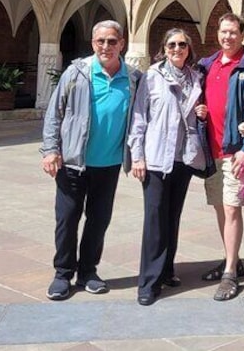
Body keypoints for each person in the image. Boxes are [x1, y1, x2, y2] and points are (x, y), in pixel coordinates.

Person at [40, 20, 141, 301]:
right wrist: (50, 150)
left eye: (112, 41)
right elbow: (54, 113)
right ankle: (62, 274)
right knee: (67, 220)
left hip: (108, 165)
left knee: (98, 221)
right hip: (73, 162)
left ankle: (87, 272)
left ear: (122, 43)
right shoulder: (77, 73)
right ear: (93, 43)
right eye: (100, 41)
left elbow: (143, 117)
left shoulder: (133, 78)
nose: (106, 47)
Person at [128, 28, 209, 306]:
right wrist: (137, 156)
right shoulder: (151, 76)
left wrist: (202, 113)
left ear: (189, 48)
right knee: (154, 220)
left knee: (172, 217)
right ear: (164, 48)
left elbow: (197, 117)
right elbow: (139, 118)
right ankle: (148, 282)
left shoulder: (195, 77)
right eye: (172, 44)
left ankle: (166, 270)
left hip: (183, 159)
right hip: (155, 159)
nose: (177, 49)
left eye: (182, 45)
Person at [197, 12, 244, 301]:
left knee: (232, 208)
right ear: (218, 33)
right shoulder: (206, 65)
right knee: (219, 207)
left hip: (233, 151)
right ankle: (232, 258)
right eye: (224, 32)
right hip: (210, 151)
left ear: (242, 34)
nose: (228, 37)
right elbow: (197, 97)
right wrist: (199, 110)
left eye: (233, 33)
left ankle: (229, 273)